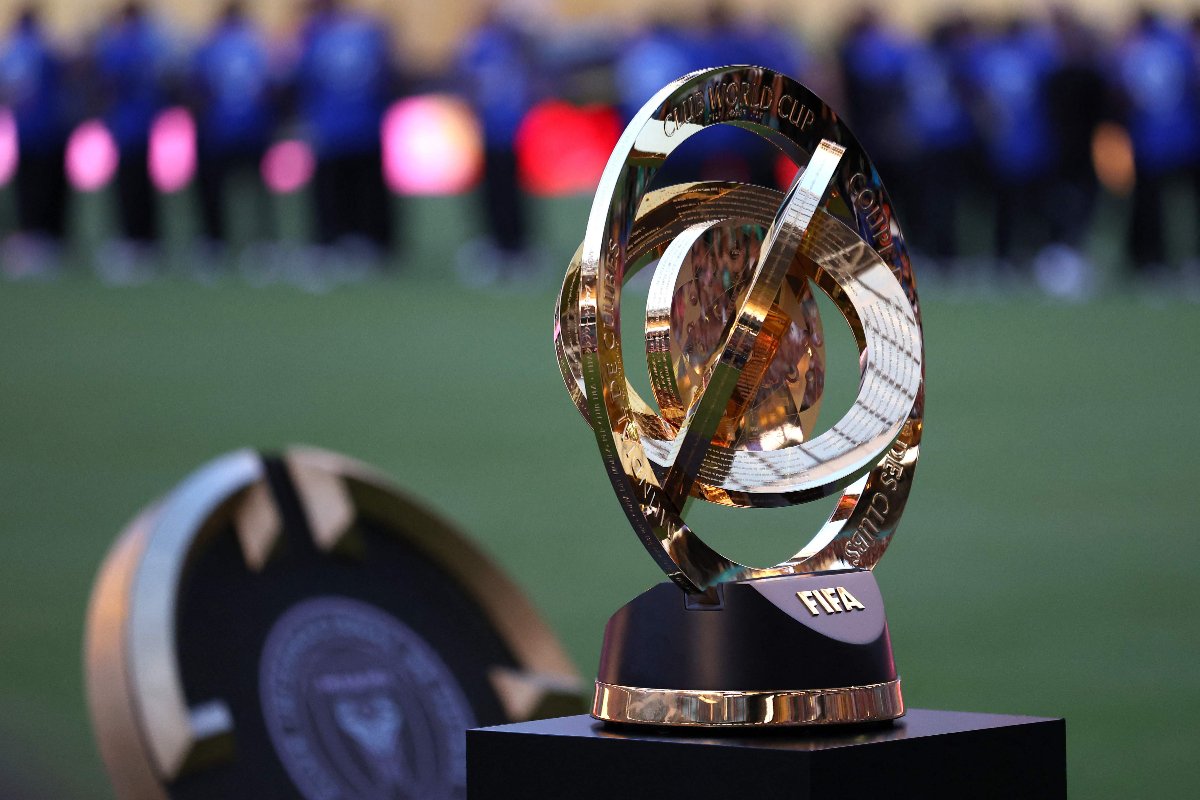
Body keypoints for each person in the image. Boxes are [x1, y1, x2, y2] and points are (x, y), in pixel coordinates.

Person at [295, 0, 396, 257]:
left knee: (347, 188)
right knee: (352, 188)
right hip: (349, 126)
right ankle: (357, 240)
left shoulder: (319, 35)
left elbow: (302, 80)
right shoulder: (366, 31)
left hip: (342, 126)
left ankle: (345, 240)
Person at [967, 17, 1058, 274]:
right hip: (1013, 145)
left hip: (1025, 144)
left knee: (1022, 206)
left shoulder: (1019, 56)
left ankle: (1020, 255)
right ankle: (1010, 256)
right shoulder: (1019, 56)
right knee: (1010, 205)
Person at [456, 4, 539, 282]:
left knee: (510, 190)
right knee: (492, 189)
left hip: (510, 129)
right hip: (489, 130)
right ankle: (498, 243)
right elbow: (466, 83)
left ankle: (516, 245)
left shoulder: (516, 44)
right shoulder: (480, 45)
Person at [1114, 10, 1199, 279]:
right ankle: (1179, 261)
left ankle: (1152, 261)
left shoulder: (1136, 51)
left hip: (1155, 141)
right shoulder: (1178, 47)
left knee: (1153, 204)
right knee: (1173, 204)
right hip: (1181, 139)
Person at [191, 2, 275, 255]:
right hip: (252, 130)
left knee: (216, 192)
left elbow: (197, 89)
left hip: (220, 132)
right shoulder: (257, 46)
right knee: (257, 193)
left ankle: (216, 243)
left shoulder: (210, 47)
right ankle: (262, 243)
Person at [903, 14, 980, 276]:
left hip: (929, 141)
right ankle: (942, 253)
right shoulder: (952, 62)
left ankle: (933, 251)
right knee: (941, 201)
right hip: (944, 140)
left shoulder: (919, 62)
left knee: (931, 201)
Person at [94, 2, 171, 251]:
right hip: (148, 124)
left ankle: (131, 240)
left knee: (127, 186)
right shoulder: (154, 44)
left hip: (127, 125)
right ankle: (149, 239)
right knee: (146, 185)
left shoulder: (122, 46)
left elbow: (108, 84)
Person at [0, 6, 68, 275]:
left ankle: (33, 241)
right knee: (47, 188)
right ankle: (47, 241)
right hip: (49, 129)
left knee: (28, 189)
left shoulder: (11, 51)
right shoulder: (44, 50)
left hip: (26, 131)